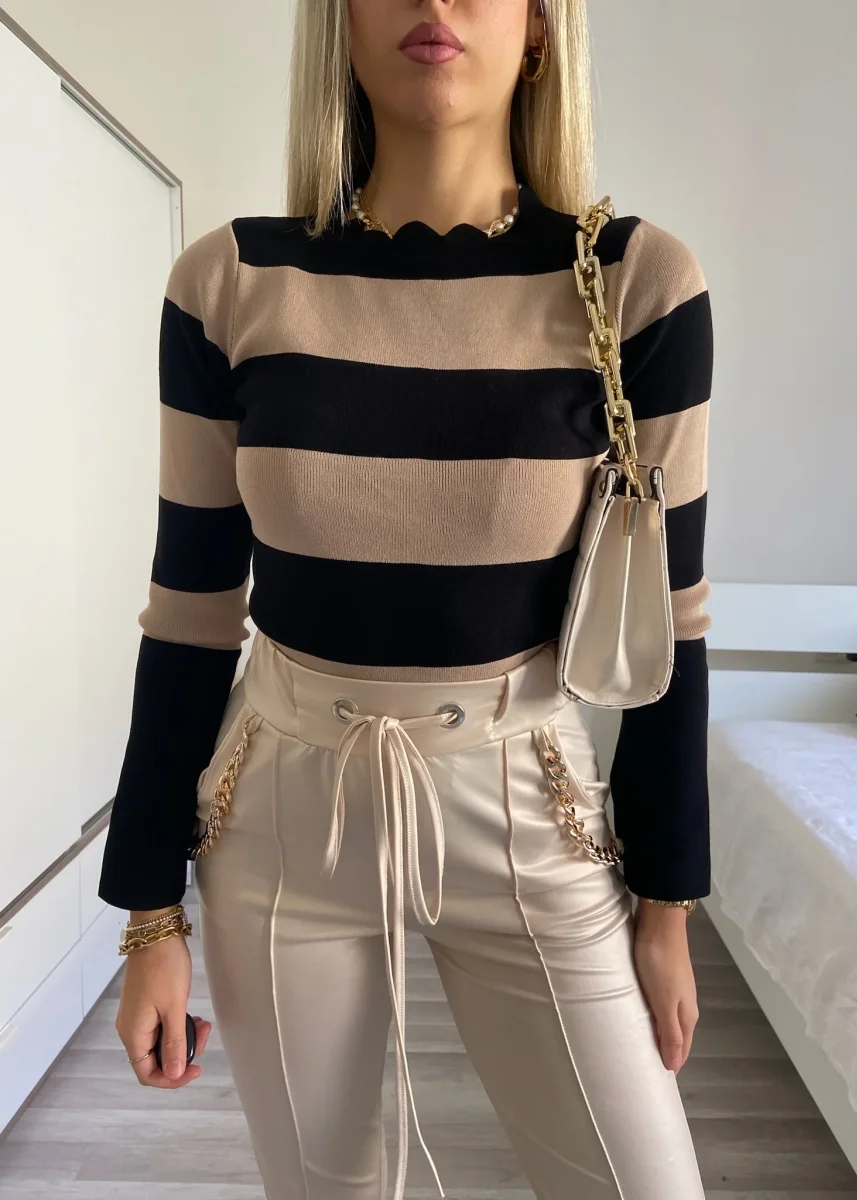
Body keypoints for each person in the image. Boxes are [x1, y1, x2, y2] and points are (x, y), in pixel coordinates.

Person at [99, 1, 714, 1196]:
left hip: (528, 805)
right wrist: (148, 915)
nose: (434, 2)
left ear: (540, 27)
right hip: (281, 815)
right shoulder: (230, 282)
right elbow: (190, 615)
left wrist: (668, 903)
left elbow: (674, 621)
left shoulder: (638, 285)